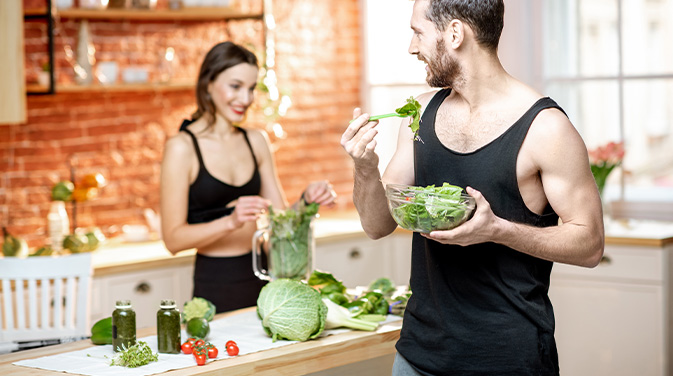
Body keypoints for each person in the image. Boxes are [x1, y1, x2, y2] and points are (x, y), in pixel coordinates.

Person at [341, 1, 604, 375]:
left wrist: (498, 230)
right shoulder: (419, 116)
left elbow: (590, 244)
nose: (411, 48)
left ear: (454, 33)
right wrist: (365, 167)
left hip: (508, 360)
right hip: (417, 356)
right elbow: (377, 226)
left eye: (418, 33)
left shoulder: (545, 128)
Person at [160, 41, 337, 314]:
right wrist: (230, 221)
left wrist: (306, 200)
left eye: (251, 88)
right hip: (215, 284)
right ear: (208, 83)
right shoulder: (181, 147)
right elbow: (173, 240)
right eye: (235, 86)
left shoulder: (256, 141)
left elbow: (280, 219)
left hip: (266, 278)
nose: (245, 98)